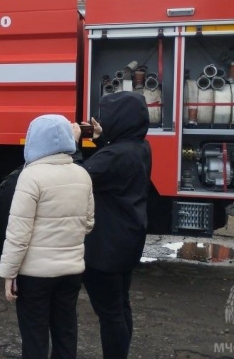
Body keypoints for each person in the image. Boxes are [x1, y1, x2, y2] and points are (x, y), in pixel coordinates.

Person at [0, 114, 95, 359]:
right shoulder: (82, 174)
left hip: (35, 275)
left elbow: (19, 233)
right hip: (72, 271)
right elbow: (88, 223)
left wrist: (9, 273)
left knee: (35, 336)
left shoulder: (31, 176)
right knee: (66, 332)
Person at [77, 92, 152, 359]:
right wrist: (101, 140)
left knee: (109, 314)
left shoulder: (116, 155)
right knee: (120, 306)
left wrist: (74, 144)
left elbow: (77, 178)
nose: (100, 120)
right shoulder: (139, 147)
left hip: (104, 248)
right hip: (126, 241)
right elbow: (111, 166)